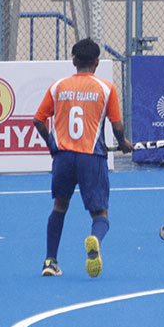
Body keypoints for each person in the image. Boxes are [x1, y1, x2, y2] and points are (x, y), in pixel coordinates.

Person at [33, 38, 134, 278]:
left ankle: (50, 261)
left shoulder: (58, 86)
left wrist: (52, 146)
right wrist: (122, 144)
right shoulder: (106, 88)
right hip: (91, 157)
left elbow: (38, 120)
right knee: (100, 215)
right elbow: (117, 125)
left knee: (59, 207)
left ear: (74, 61)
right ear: (97, 63)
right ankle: (94, 239)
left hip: (63, 158)